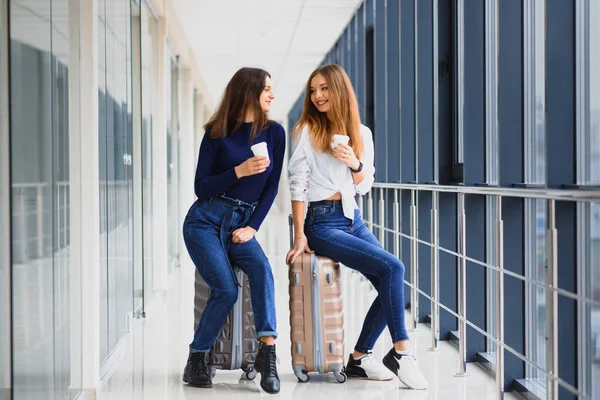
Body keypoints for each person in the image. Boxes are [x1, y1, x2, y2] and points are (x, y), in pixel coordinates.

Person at [286, 64, 428, 390]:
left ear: (339, 90)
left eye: (324, 89)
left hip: (354, 218)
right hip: (322, 222)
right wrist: (299, 234)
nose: (318, 96)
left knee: (388, 277)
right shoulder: (306, 130)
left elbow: (365, 186)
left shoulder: (362, 133)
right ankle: (402, 352)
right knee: (394, 266)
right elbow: (297, 184)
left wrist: (354, 162)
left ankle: (360, 356)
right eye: (313, 90)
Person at [182, 67, 285, 394]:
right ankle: (196, 358)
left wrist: (253, 227)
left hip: (243, 222)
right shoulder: (216, 133)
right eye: (266, 89)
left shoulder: (275, 133)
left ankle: (267, 354)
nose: (271, 94)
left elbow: (271, 188)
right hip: (205, 221)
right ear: (249, 91)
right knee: (226, 289)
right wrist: (238, 171)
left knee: (262, 269)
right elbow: (201, 187)